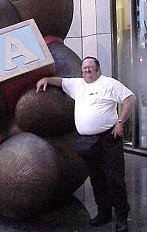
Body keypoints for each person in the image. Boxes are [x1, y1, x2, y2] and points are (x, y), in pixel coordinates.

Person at [36, 56, 135, 232]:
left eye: (90, 67)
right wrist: (45, 80)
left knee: (115, 179)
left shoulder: (109, 83)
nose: (87, 70)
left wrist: (120, 122)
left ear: (98, 68)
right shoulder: (78, 84)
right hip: (88, 142)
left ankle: (121, 216)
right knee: (97, 179)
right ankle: (104, 214)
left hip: (108, 139)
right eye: (84, 68)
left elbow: (130, 99)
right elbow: (60, 82)